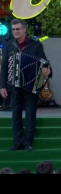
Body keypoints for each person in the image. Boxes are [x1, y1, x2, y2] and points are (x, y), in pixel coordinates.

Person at [0, 19, 52, 151]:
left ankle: (28, 142)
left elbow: (44, 62)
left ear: (24, 29)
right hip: (14, 86)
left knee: (30, 115)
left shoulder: (35, 45)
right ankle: (17, 143)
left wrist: (47, 70)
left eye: (18, 29)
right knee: (15, 115)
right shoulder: (9, 45)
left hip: (31, 86)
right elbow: (5, 66)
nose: (15, 32)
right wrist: (3, 86)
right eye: (13, 30)